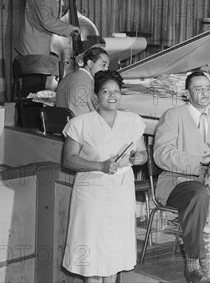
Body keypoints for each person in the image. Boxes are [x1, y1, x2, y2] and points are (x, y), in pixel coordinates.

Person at [153, 71, 210, 283]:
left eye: (207, 88)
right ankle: (193, 262)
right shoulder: (173, 116)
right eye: (198, 89)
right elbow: (161, 154)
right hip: (178, 181)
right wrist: (198, 162)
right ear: (187, 93)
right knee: (200, 194)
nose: (204, 93)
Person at [62, 70, 147, 283]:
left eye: (116, 91)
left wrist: (139, 158)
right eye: (106, 91)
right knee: (91, 244)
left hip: (121, 189)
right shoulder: (80, 124)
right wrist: (99, 165)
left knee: (115, 246)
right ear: (95, 97)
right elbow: (69, 160)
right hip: (91, 191)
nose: (112, 96)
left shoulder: (133, 121)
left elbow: (143, 153)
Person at [56, 47, 110, 116]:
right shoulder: (91, 84)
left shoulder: (67, 78)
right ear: (90, 63)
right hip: (81, 124)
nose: (106, 69)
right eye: (103, 65)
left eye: (108, 66)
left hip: (64, 125)